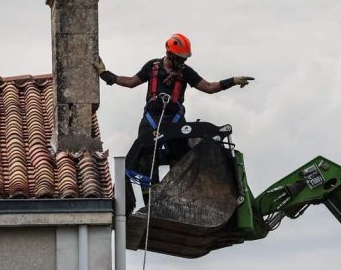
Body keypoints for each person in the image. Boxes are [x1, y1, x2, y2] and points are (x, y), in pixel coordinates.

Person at [94, 33, 254, 213]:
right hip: (151, 121)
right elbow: (131, 82)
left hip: (176, 122)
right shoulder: (153, 67)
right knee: (146, 159)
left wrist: (231, 81)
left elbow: (208, 87)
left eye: (184, 59)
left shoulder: (186, 73)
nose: (182, 63)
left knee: (182, 158)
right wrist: (106, 74)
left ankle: (180, 198)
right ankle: (150, 204)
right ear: (170, 55)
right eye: (179, 59)